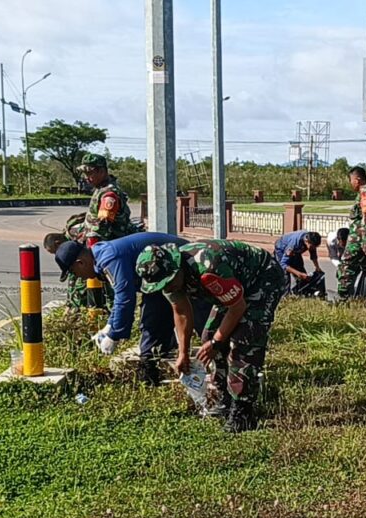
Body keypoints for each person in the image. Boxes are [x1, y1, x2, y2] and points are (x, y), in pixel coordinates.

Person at [136, 240, 286, 433]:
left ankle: (243, 412)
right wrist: (183, 352)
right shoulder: (168, 278)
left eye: (169, 283)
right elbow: (181, 311)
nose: (169, 288)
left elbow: (237, 307)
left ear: (177, 269)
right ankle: (225, 397)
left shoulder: (209, 269)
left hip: (261, 279)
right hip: (232, 289)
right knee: (208, 336)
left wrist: (217, 341)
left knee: (244, 340)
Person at [52, 233, 212, 382]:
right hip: (156, 281)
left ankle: (225, 371)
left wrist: (114, 335)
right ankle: (152, 372)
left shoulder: (109, 257)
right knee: (151, 331)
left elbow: (125, 298)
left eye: (73, 272)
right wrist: (110, 325)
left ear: (80, 263)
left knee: (205, 326)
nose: (78, 277)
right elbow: (119, 294)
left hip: (182, 268)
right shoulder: (100, 257)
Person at [337, 167, 366, 302]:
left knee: (346, 266)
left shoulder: (365, 193)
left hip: (359, 240)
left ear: (357, 180)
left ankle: (344, 299)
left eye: (351, 180)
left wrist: (365, 241)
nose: (351, 183)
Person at [79, 153, 136, 246]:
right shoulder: (100, 188)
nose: (86, 177)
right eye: (84, 173)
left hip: (110, 245)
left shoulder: (109, 194)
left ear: (101, 171)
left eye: (89, 173)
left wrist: (89, 247)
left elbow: (103, 226)